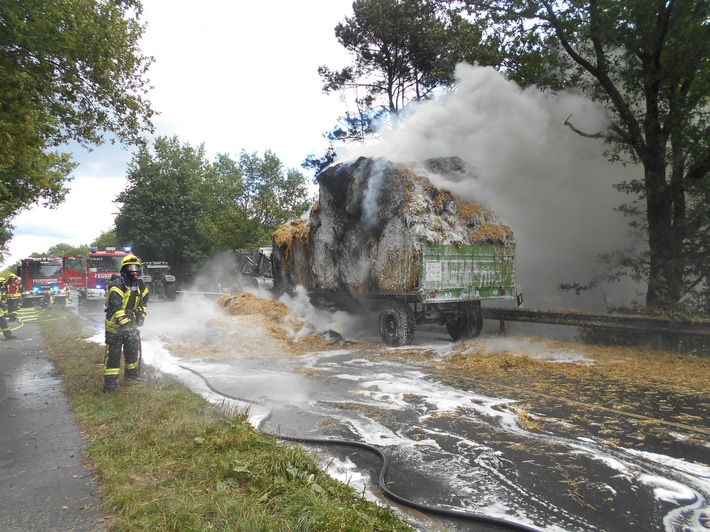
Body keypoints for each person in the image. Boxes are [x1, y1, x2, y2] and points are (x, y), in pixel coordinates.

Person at [103, 254, 149, 393]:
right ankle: (110, 384)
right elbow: (116, 306)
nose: (134, 271)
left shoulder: (140, 284)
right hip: (115, 326)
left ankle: (131, 376)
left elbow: (144, 300)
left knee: (132, 350)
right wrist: (124, 323)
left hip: (131, 323)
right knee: (114, 354)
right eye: (131, 268)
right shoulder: (117, 283)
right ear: (124, 269)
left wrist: (141, 315)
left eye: (137, 268)